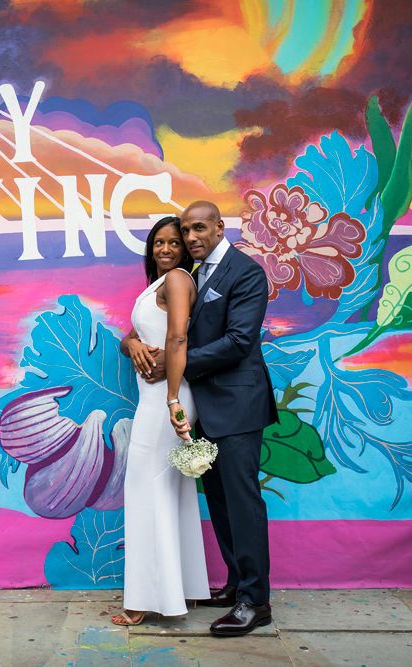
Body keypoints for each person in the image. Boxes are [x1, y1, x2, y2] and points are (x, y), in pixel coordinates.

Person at [171, 200, 279, 637]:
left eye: (199, 228)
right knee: (218, 501)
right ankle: (237, 585)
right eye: (186, 231)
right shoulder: (195, 275)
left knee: (242, 502)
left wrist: (177, 365)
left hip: (238, 406)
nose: (191, 238)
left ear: (219, 227)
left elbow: (238, 341)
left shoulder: (246, 272)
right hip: (207, 410)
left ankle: (257, 601)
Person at [111, 215, 210, 626]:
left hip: (164, 398)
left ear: (186, 249)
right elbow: (135, 334)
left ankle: (144, 600)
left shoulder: (177, 280)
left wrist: (171, 397)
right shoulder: (160, 283)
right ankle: (183, 589)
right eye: (159, 243)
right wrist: (131, 343)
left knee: (144, 491)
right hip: (157, 396)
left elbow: (178, 337)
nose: (166, 249)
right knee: (169, 493)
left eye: (174, 243)